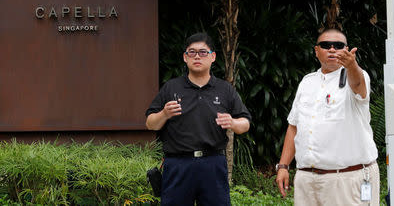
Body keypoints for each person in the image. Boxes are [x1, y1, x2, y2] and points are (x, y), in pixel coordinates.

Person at [145, 32, 251, 206]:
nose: (197, 57)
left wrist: (233, 122)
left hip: (213, 164)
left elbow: (245, 123)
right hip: (178, 165)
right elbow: (150, 123)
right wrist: (164, 114)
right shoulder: (171, 87)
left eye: (203, 52)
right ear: (185, 58)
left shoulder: (225, 89)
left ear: (213, 57)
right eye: (191, 52)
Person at [276, 28, 379, 206]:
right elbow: (294, 126)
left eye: (338, 46)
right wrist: (283, 165)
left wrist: (351, 65)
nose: (332, 49)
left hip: (346, 179)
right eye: (326, 45)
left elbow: (358, 85)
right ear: (317, 51)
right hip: (307, 180)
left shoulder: (357, 76)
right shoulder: (307, 82)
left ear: (346, 50)